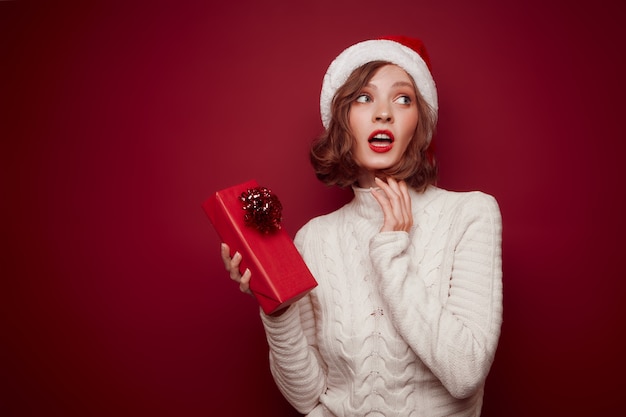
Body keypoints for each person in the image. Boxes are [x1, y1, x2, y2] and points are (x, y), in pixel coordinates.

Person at [221, 35, 503, 417]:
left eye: (403, 99)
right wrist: (277, 310)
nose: (383, 112)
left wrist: (391, 254)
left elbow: (466, 372)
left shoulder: (471, 214)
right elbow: (307, 396)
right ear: (343, 120)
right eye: (364, 98)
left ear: (419, 121)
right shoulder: (315, 238)